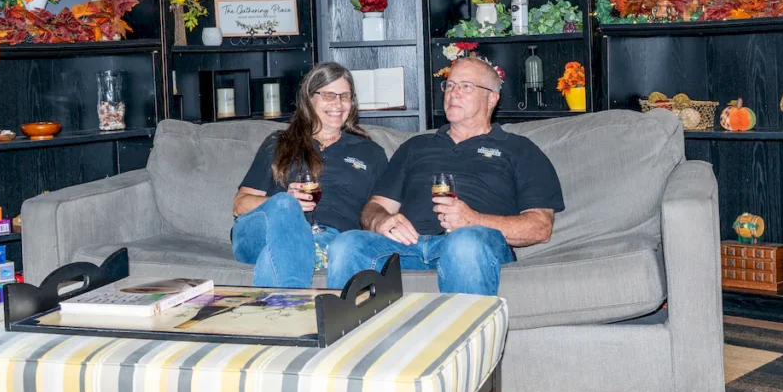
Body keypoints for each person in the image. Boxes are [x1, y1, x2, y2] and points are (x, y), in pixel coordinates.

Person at [327, 55, 565, 296]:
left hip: (475, 242)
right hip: (409, 246)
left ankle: (466, 333)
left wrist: (473, 220)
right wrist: (380, 221)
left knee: (464, 243)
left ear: (492, 98)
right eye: (450, 85)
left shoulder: (519, 149)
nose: (454, 92)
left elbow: (540, 226)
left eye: (466, 86)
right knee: (347, 244)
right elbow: (376, 206)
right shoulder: (415, 146)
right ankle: (354, 334)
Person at [232, 62, 387, 288]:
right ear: (309, 98)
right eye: (329, 95)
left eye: (345, 96)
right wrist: (285, 203)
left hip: (327, 237)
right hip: (259, 232)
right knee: (285, 204)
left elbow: (382, 210)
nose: (338, 103)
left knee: (275, 256)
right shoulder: (279, 143)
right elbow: (239, 205)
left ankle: (282, 315)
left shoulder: (370, 153)